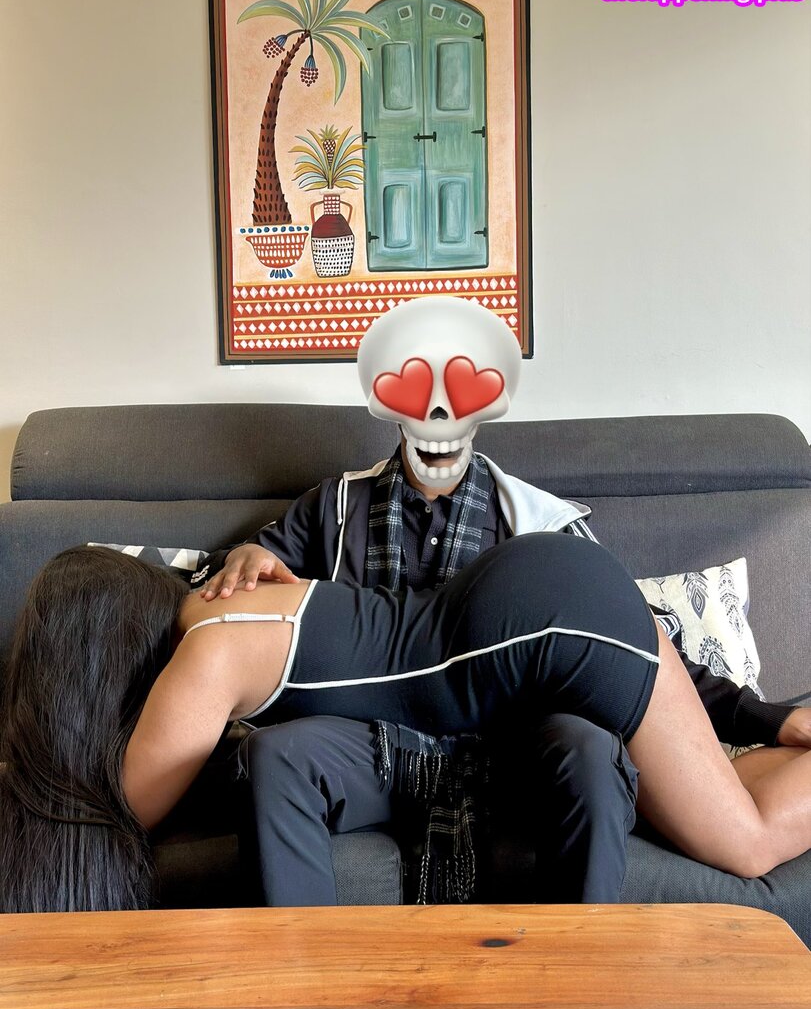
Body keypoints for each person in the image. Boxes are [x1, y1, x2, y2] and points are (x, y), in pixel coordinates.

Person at [194, 297, 810, 907]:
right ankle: (301, 970)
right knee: (273, 756)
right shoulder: (331, 507)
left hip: (513, 750)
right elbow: (229, 595)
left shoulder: (545, 528)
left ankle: (581, 963)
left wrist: (765, 718)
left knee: (590, 751)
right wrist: (243, 556)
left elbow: (637, 658)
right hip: (372, 745)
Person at [2, 538, 810, 914]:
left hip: (539, 626)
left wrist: (31, 760)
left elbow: (115, 812)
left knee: (746, 843)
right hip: (531, 596)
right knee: (703, 799)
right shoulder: (231, 606)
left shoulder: (207, 655)